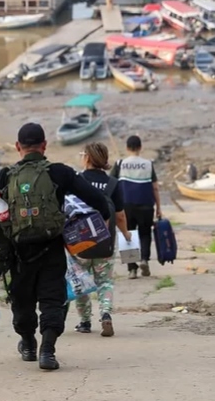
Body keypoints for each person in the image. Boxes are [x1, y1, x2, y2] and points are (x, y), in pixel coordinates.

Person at [0, 123, 110, 371]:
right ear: (44, 146)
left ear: (18, 147)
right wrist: (103, 218)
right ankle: (48, 350)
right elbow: (97, 200)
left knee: (22, 301)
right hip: (51, 248)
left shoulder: (5, 176)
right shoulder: (60, 173)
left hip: (18, 252)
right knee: (52, 300)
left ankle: (29, 343)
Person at [73, 143, 132, 337]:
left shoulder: (77, 181)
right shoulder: (113, 184)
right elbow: (120, 215)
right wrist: (126, 234)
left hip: (79, 243)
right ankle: (105, 314)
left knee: (80, 281)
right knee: (105, 281)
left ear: (87, 158)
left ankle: (85, 321)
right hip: (105, 241)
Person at [110, 135, 161, 279]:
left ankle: (132, 269)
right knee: (145, 234)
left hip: (126, 205)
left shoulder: (120, 164)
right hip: (146, 205)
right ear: (140, 147)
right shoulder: (148, 164)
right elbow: (155, 188)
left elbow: (111, 184)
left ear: (127, 148)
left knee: (128, 234)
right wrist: (159, 207)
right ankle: (144, 259)